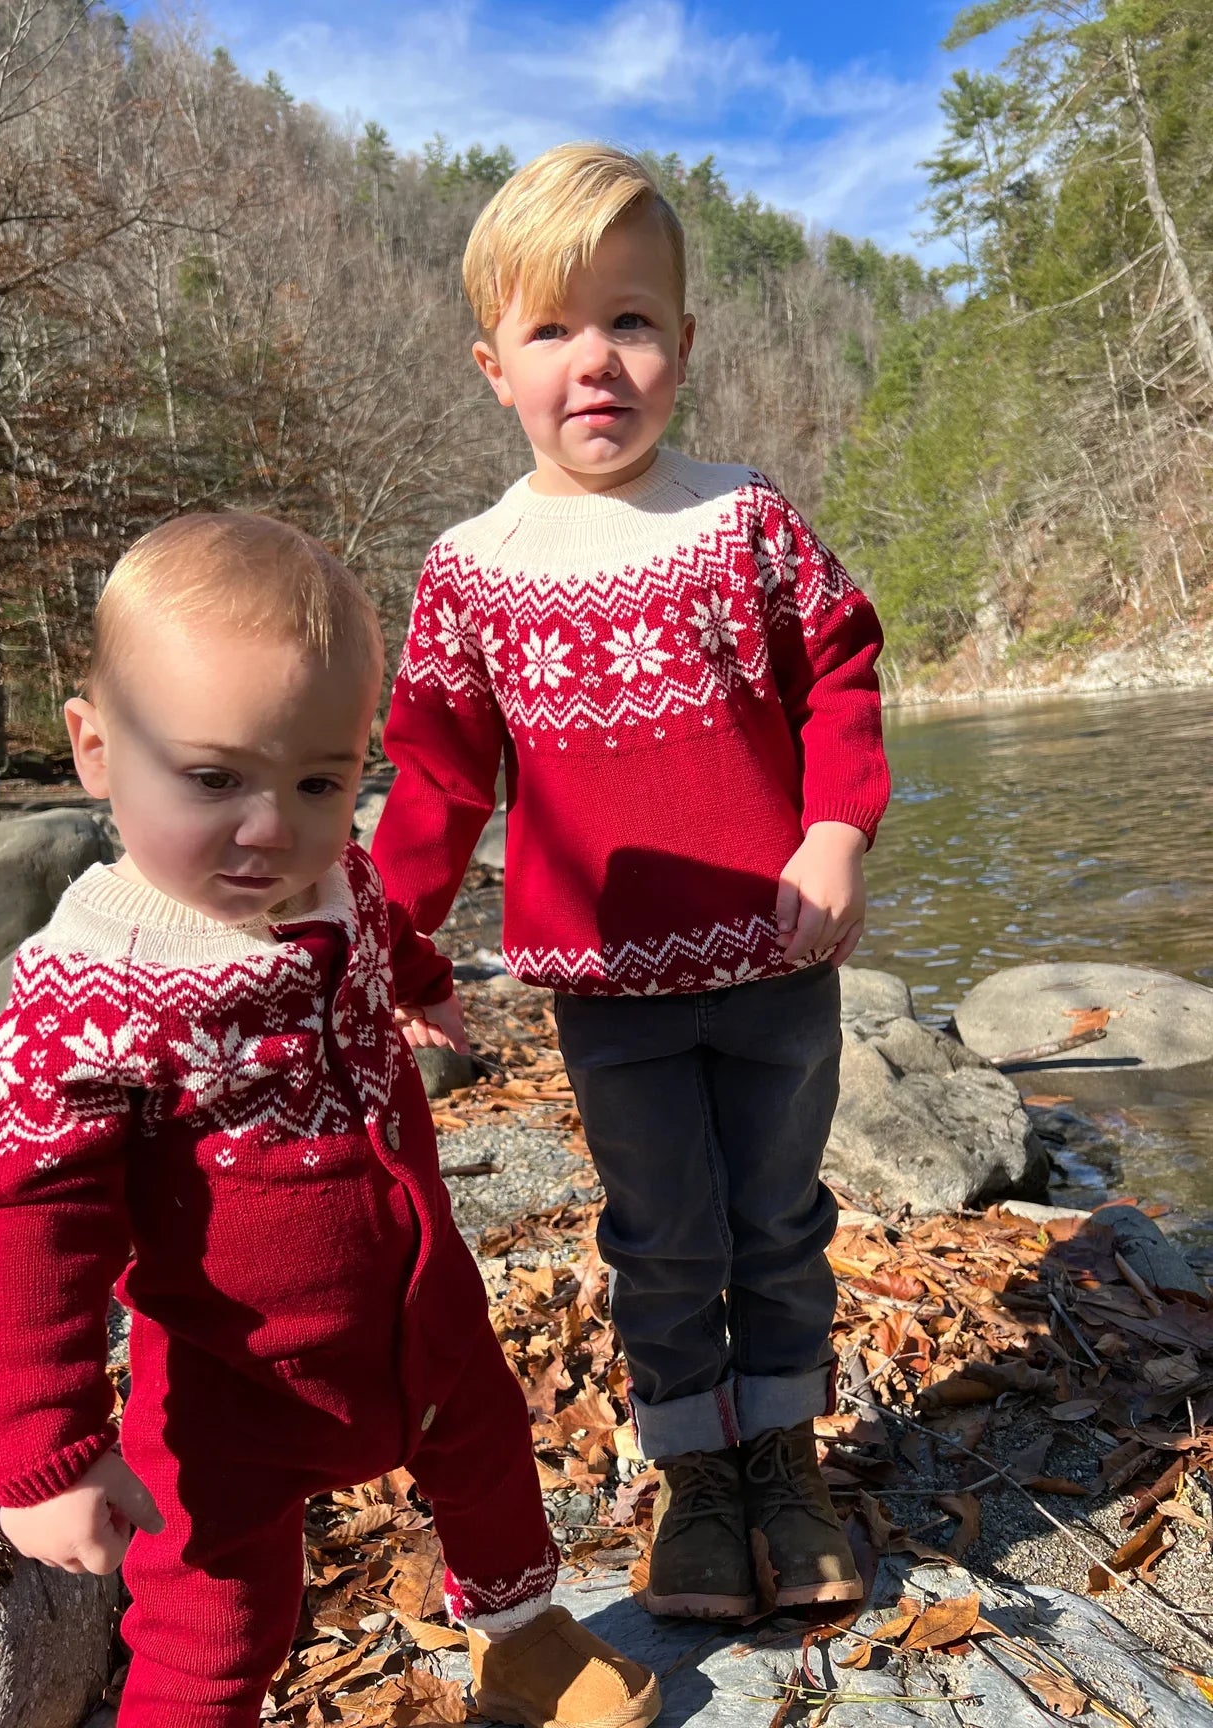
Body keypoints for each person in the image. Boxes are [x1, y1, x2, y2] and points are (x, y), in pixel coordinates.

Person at [0, 513, 661, 1728]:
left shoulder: (336, 882)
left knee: (490, 1467)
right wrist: (45, 1451)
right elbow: (42, 1235)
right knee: (214, 1618)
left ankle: (518, 1638)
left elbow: (387, 930)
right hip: (236, 1385)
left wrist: (428, 988)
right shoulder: (93, 992)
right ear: (95, 749)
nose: (273, 825)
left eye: (320, 780)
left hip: (423, 1313)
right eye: (216, 778)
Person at [371, 144, 892, 1622]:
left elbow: (842, 677)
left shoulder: (743, 518)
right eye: (553, 330)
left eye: (634, 321)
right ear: (494, 367)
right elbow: (441, 782)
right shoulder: (474, 568)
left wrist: (837, 829)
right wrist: (385, 944)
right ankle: (697, 1481)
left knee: (780, 1219)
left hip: (779, 967)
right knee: (663, 1234)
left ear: (683, 343)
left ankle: (783, 1454)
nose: (596, 362)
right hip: (608, 992)